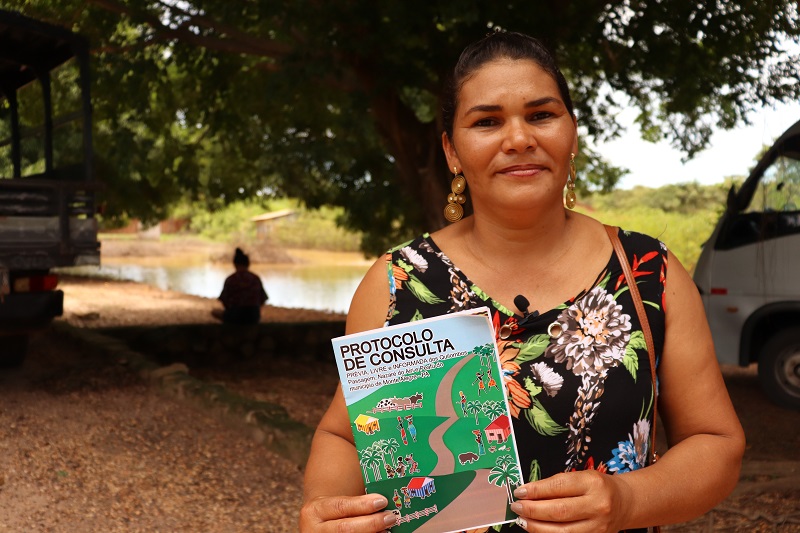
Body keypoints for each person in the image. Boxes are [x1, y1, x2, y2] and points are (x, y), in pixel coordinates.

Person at [299, 31, 745, 532]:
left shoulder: (646, 273)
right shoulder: (399, 283)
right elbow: (345, 436)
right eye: (487, 121)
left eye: (541, 115)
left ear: (571, 132)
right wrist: (326, 510)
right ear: (451, 151)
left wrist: (625, 499)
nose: (518, 139)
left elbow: (717, 444)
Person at [211, 247, 268, 325]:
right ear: (248, 264)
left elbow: (224, 301)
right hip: (253, 317)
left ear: (234, 264)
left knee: (215, 312)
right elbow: (263, 299)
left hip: (234, 316)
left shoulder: (230, 279)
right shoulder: (255, 278)